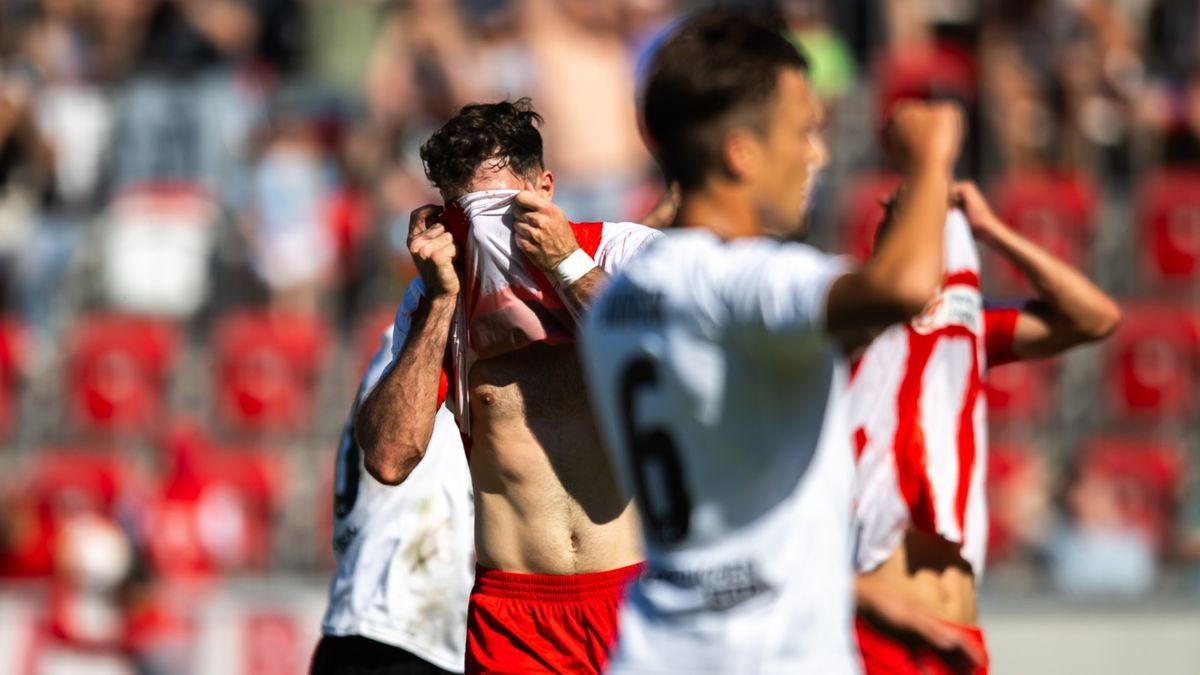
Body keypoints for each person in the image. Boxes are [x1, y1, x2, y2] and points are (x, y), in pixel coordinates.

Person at [579, 11, 962, 673]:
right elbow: (902, 287)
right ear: (741, 153)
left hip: (656, 649)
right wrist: (931, 159)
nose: (817, 155)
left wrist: (846, 590)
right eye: (804, 131)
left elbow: (729, 508)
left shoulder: (618, 298)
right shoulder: (743, 281)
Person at [355, 99, 660, 674]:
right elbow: (390, 457)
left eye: (501, 212)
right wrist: (441, 301)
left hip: (636, 599)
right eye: (467, 217)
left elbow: (666, 369)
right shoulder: (434, 300)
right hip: (516, 620)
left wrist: (567, 264)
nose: (486, 238)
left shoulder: (625, 253)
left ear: (544, 188)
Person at [849, 183, 1120, 675]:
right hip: (878, 632)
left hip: (958, 636)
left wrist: (993, 230)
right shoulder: (852, 329)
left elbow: (1095, 318)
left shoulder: (965, 331)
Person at [312, 279, 474, 675]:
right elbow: (389, 458)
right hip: (394, 625)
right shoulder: (424, 343)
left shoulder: (407, 343)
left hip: (389, 627)